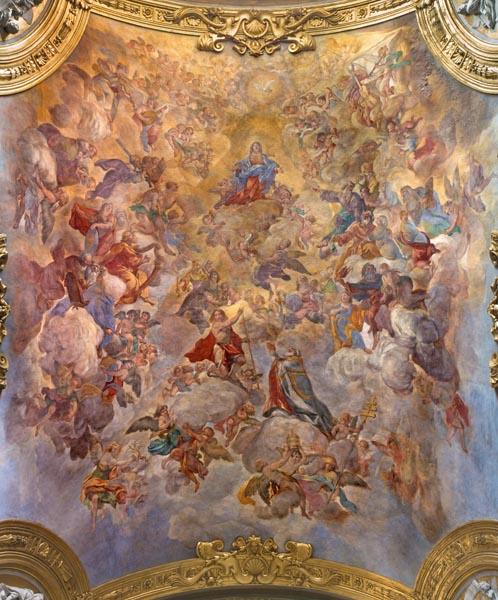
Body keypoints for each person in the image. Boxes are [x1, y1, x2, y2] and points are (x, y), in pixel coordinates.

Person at [263, 344, 333, 437]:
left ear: (295, 354)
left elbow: (281, 364)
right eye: (289, 349)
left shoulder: (295, 362)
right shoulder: (289, 362)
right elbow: (280, 362)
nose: (289, 349)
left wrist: (273, 353)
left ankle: (324, 427)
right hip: (296, 393)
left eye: (291, 350)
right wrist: (273, 353)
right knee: (312, 408)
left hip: (300, 394)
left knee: (311, 409)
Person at [185, 308, 246, 378]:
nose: (218, 316)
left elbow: (232, 323)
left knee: (242, 360)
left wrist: (239, 313)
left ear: (223, 315)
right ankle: (213, 369)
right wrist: (238, 314)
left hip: (229, 347)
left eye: (219, 314)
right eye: (216, 315)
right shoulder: (215, 325)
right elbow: (228, 324)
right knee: (224, 375)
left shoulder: (226, 323)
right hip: (219, 348)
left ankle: (232, 371)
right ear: (214, 317)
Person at [217, 142, 278, 207]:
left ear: (260, 147)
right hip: (250, 172)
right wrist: (238, 165)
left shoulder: (263, 156)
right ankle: (245, 196)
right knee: (246, 176)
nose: (256, 147)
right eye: (254, 146)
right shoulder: (249, 156)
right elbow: (243, 162)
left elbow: (271, 163)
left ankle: (253, 196)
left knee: (260, 169)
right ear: (252, 147)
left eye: (257, 146)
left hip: (261, 173)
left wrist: (275, 167)